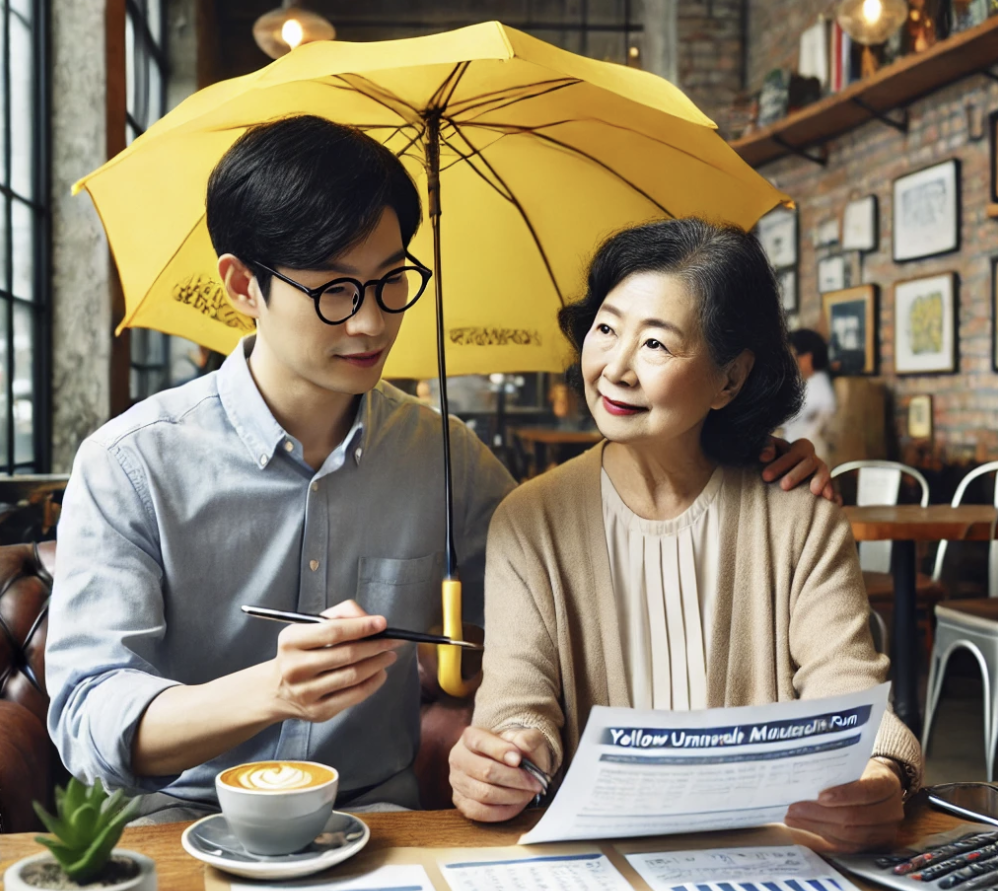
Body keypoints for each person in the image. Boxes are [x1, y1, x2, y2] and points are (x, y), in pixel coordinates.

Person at [46, 117, 833, 821]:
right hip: (180, 819)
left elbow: (579, 563)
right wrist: (270, 691)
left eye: (392, 280)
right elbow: (86, 718)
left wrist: (745, 461)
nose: (372, 320)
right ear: (243, 285)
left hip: (376, 822)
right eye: (335, 291)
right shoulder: (131, 465)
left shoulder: (445, 457)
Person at [450, 218, 920, 852]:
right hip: (594, 861)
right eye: (606, 329)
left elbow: (848, 691)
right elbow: (517, 702)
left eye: (655, 344)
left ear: (730, 378)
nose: (616, 368)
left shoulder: (797, 513)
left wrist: (881, 772)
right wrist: (508, 757)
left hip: (766, 856)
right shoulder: (529, 520)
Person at [781, 328, 837, 463]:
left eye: (793, 355)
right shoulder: (804, 383)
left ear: (807, 358)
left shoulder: (818, 383)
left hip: (808, 457)